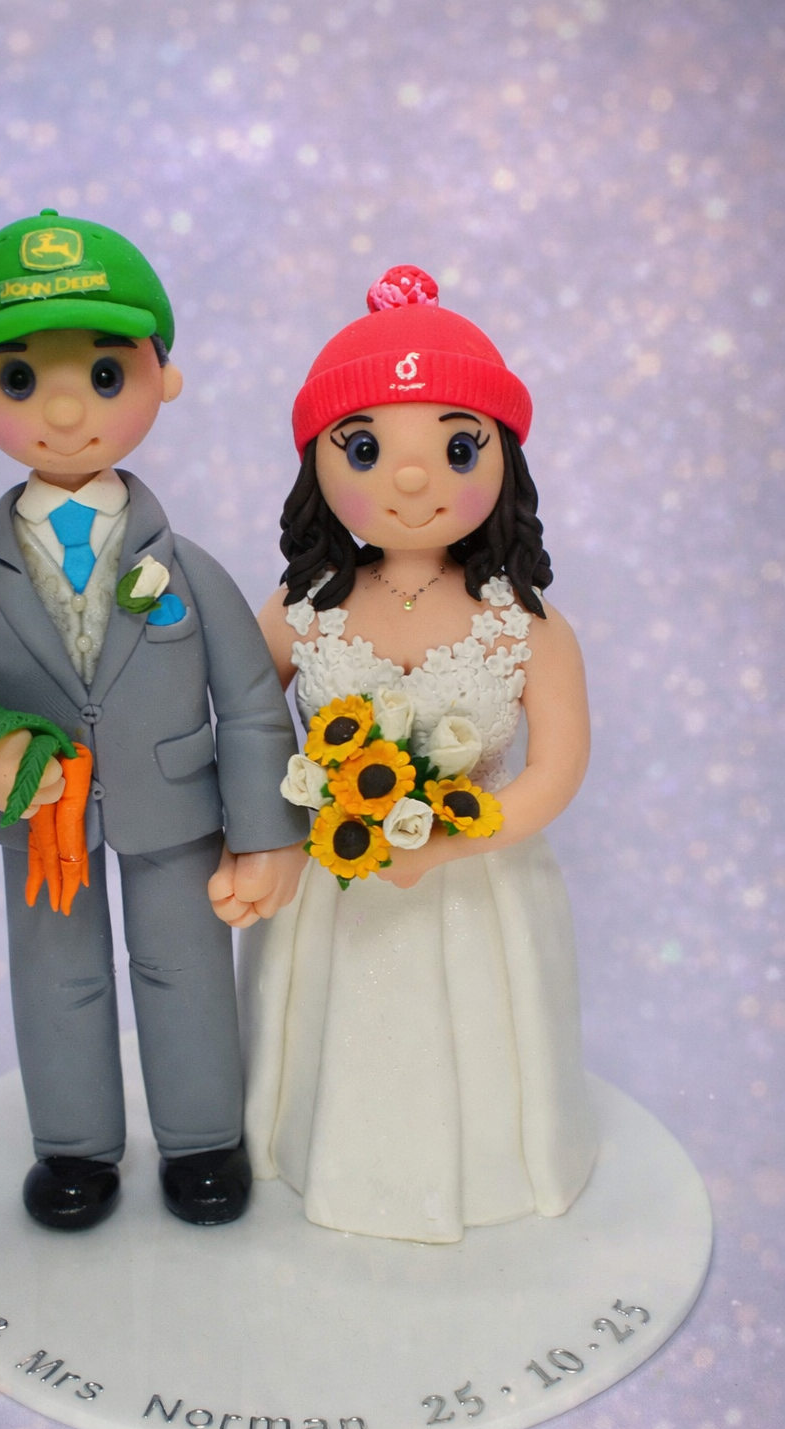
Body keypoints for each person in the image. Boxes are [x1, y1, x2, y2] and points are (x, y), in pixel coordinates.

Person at [0, 211, 307, 1232]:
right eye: (20, 378)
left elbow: (251, 702)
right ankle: (74, 1148)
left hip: (175, 811)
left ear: (165, 376)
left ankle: (201, 1142)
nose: (68, 409)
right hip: (43, 825)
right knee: (56, 980)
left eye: (107, 373)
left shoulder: (188, 568)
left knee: (185, 972)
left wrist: (267, 834)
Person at [239, 265, 598, 1244]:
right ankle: (310, 1148)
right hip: (332, 882)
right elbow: (241, 720)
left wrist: (452, 838)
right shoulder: (303, 607)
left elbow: (557, 769)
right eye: (365, 449)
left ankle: (484, 1173)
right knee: (334, 1026)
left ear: (504, 462)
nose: (409, 479)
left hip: (479, 886)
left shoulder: (524, 623)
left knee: (477, 1034)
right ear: (317, 466)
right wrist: (256, 835)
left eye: (454, 447)